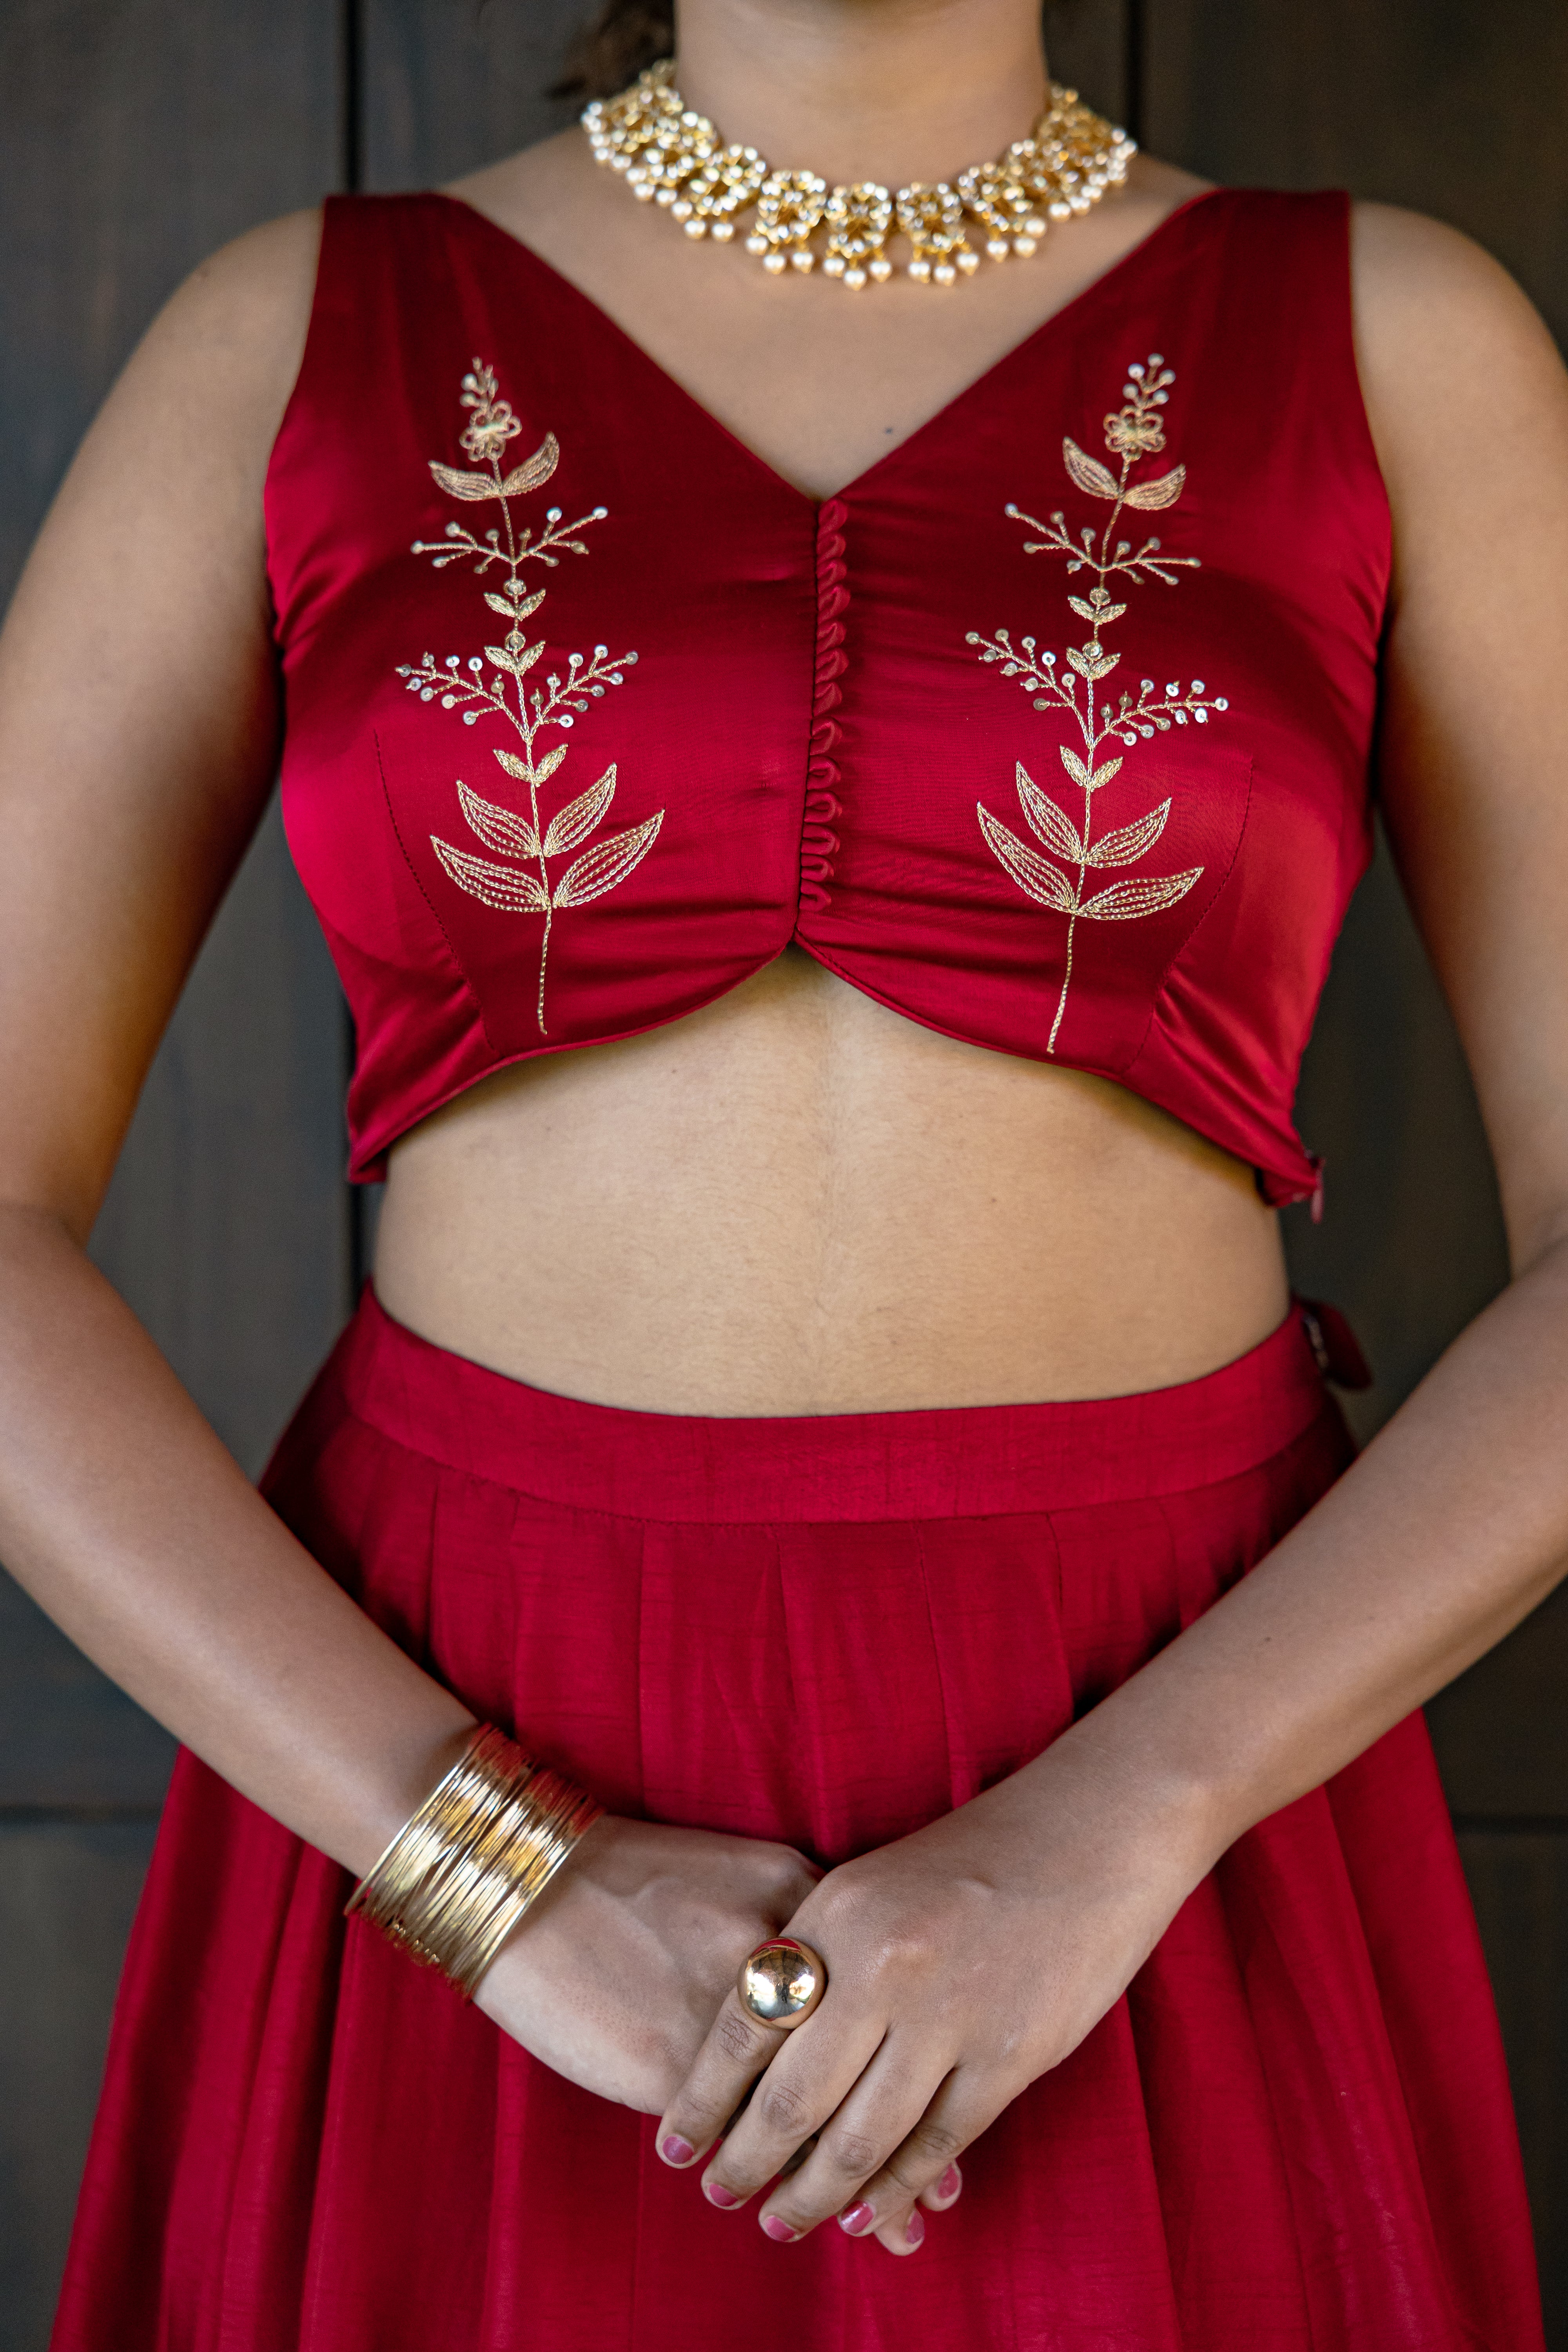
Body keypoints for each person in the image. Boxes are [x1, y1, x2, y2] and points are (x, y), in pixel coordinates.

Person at [3, 0, 1564, 2343]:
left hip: (1172, 1745)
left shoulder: (1397, 337)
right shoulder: (288, 336)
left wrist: (1120, 1823)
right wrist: (495, 1871)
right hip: (449, 1733)